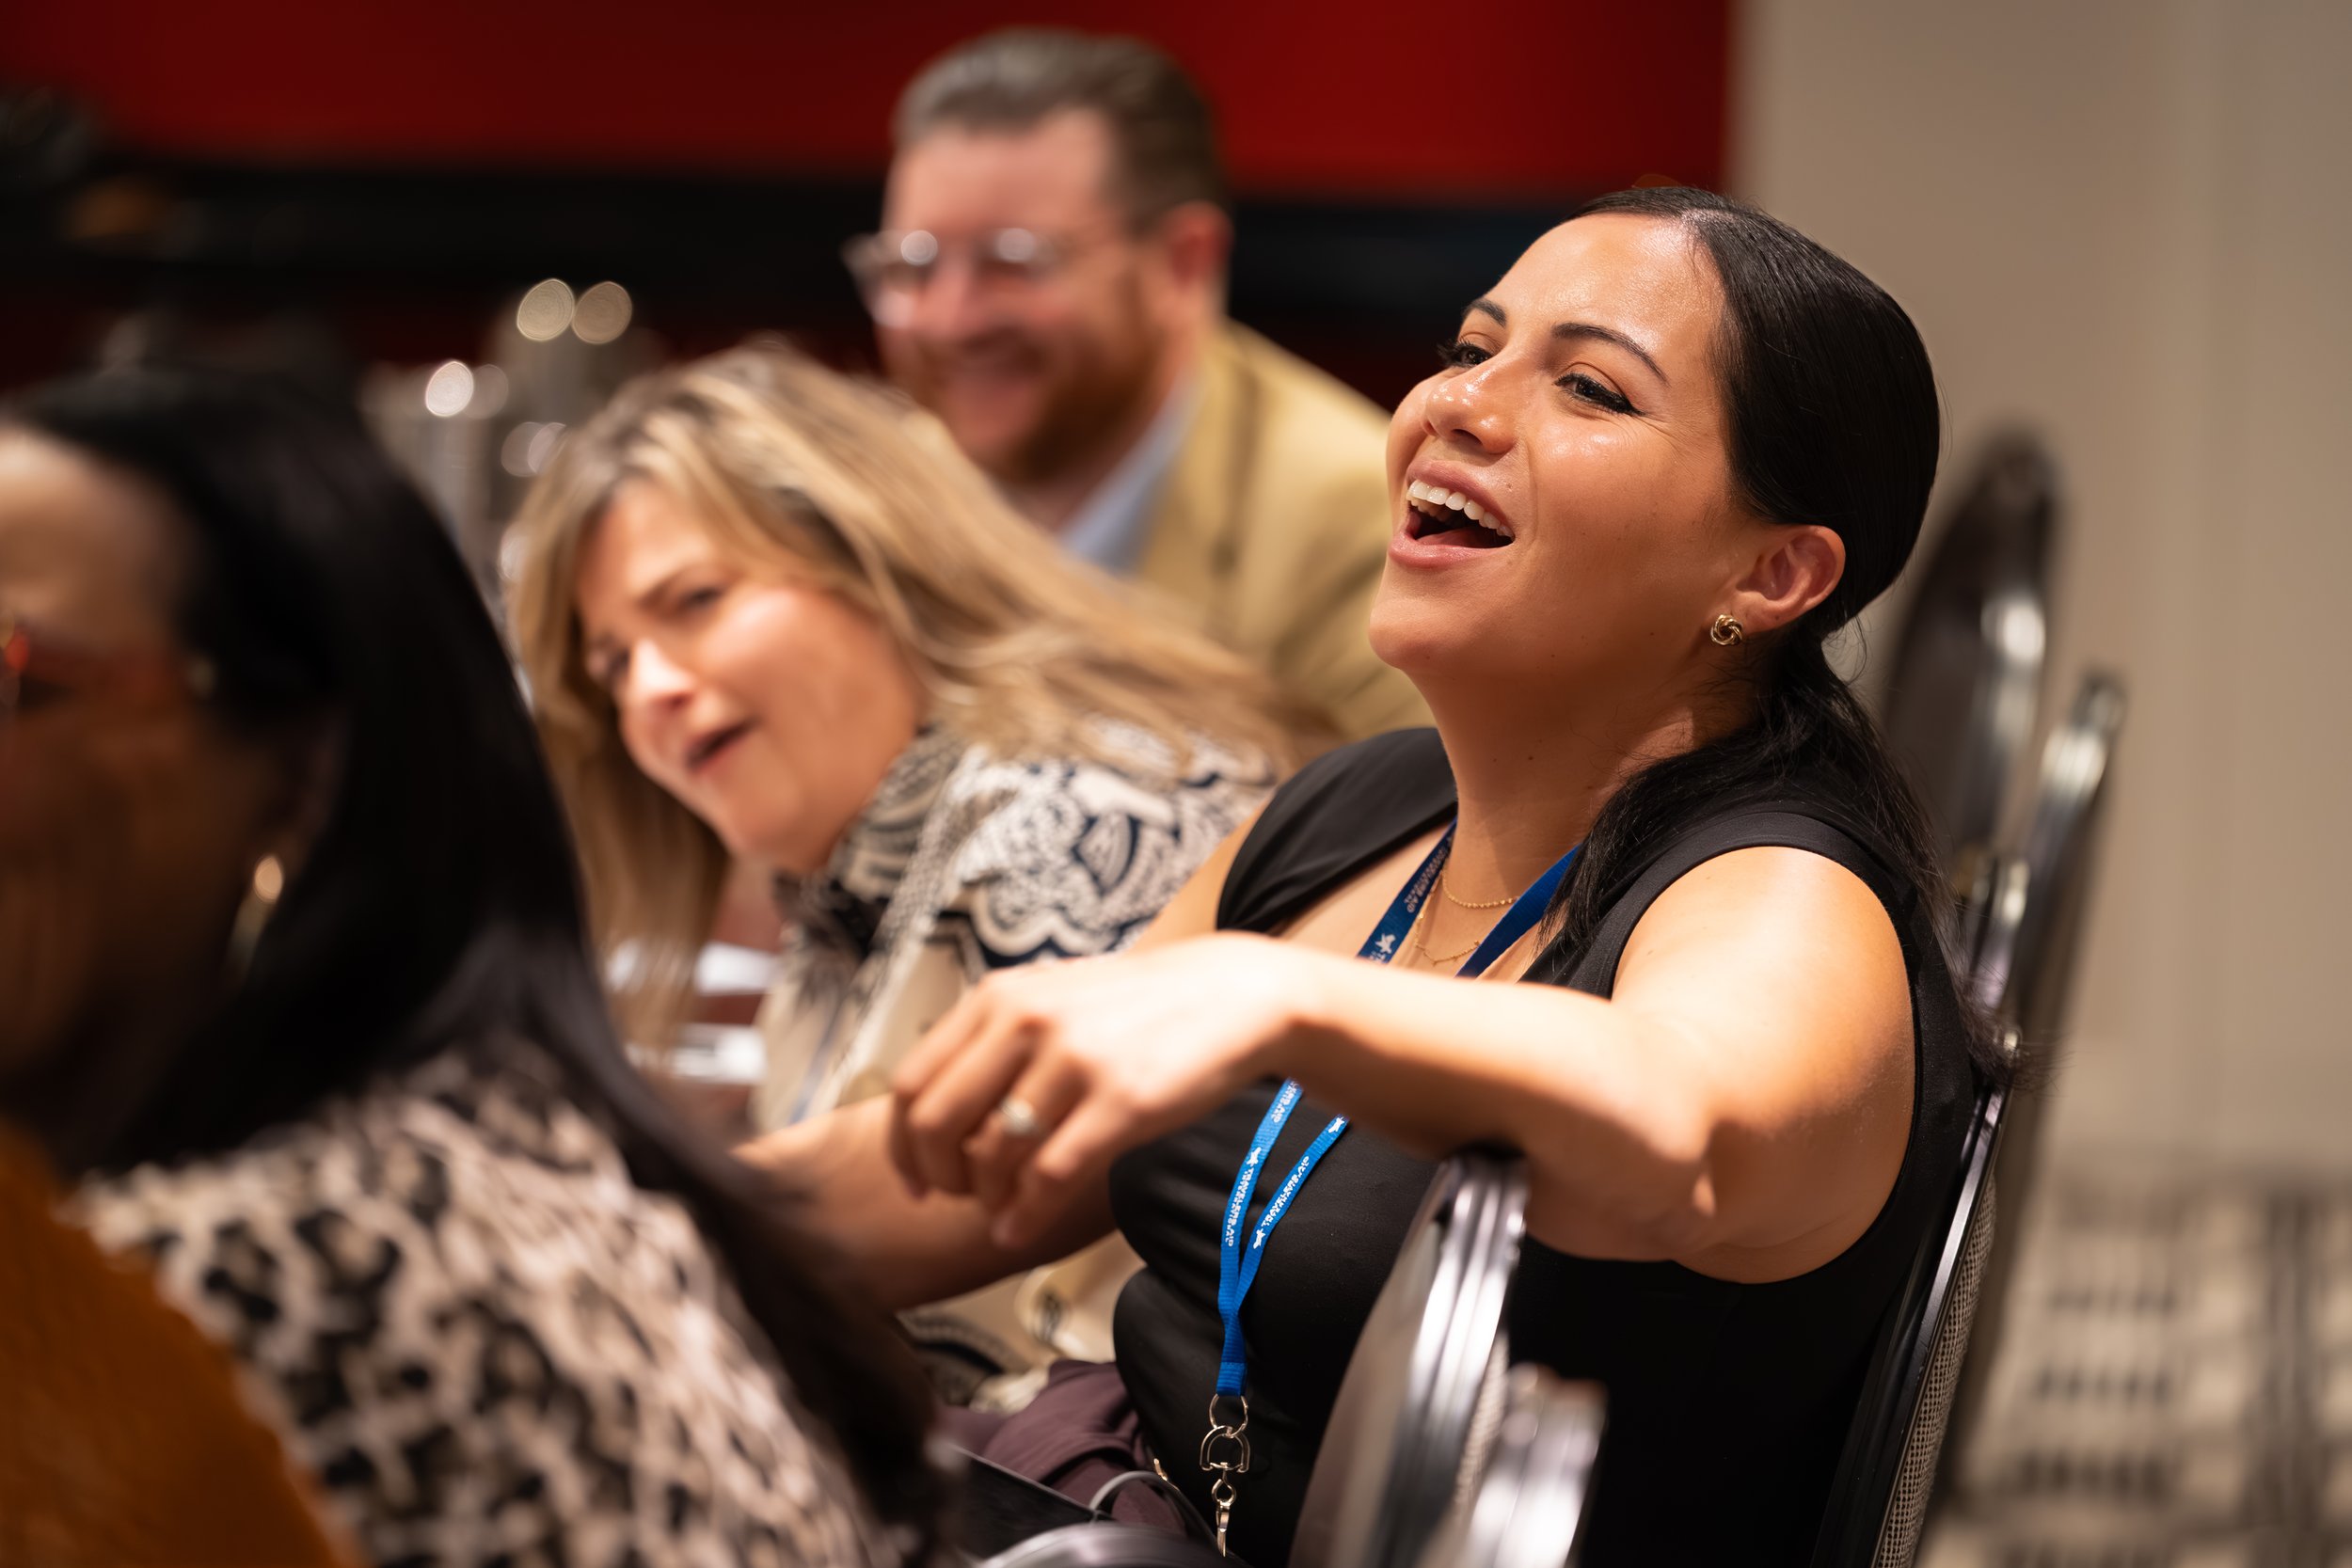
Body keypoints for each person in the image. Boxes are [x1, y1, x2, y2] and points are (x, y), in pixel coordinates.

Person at [749, 188, 2003, 1565]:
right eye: (1473, 349)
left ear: (1771, 574)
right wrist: (608, 1200)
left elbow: (1685, 1130)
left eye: (1588, 385)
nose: (1457, 405)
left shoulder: (1779, 883)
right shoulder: (1363, 807)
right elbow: (973, 1167)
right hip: (1105, 1489)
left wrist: (1276, 998)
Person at [0, 369, 941, 1567]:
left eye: (10, 675)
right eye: (610, 661)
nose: (653, 689)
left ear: (300, 783)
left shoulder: (257, 1273)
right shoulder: (511, 1139)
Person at [508, 345, 1323, 1395]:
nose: (649, 690)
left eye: (696, 601)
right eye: (613, 661)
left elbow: (998, 1248)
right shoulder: (843, 882)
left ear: (876, 562)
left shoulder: (1079, 817)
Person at [852, 27, 1428, 741]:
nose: (950, 320)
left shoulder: (1361, 523)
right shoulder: (876, 499)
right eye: (914, 265)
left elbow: (1412, 845)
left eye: (1012, 261)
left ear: (1182, 264)